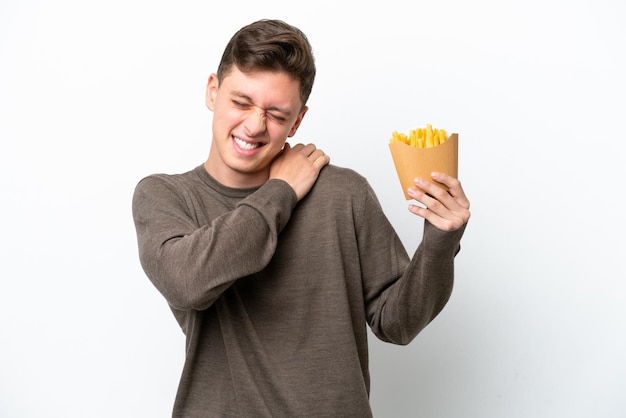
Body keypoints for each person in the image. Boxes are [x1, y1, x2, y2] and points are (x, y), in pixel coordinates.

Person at [132, 19, 470, 417]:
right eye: (241, 102)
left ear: (298, 121)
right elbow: (187, 282)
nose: (254, 125)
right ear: (212, 91)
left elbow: (397, 324)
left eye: (276, 114)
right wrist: (282, 191)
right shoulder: (165, 196)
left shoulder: (343, 193)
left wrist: (439, 243)